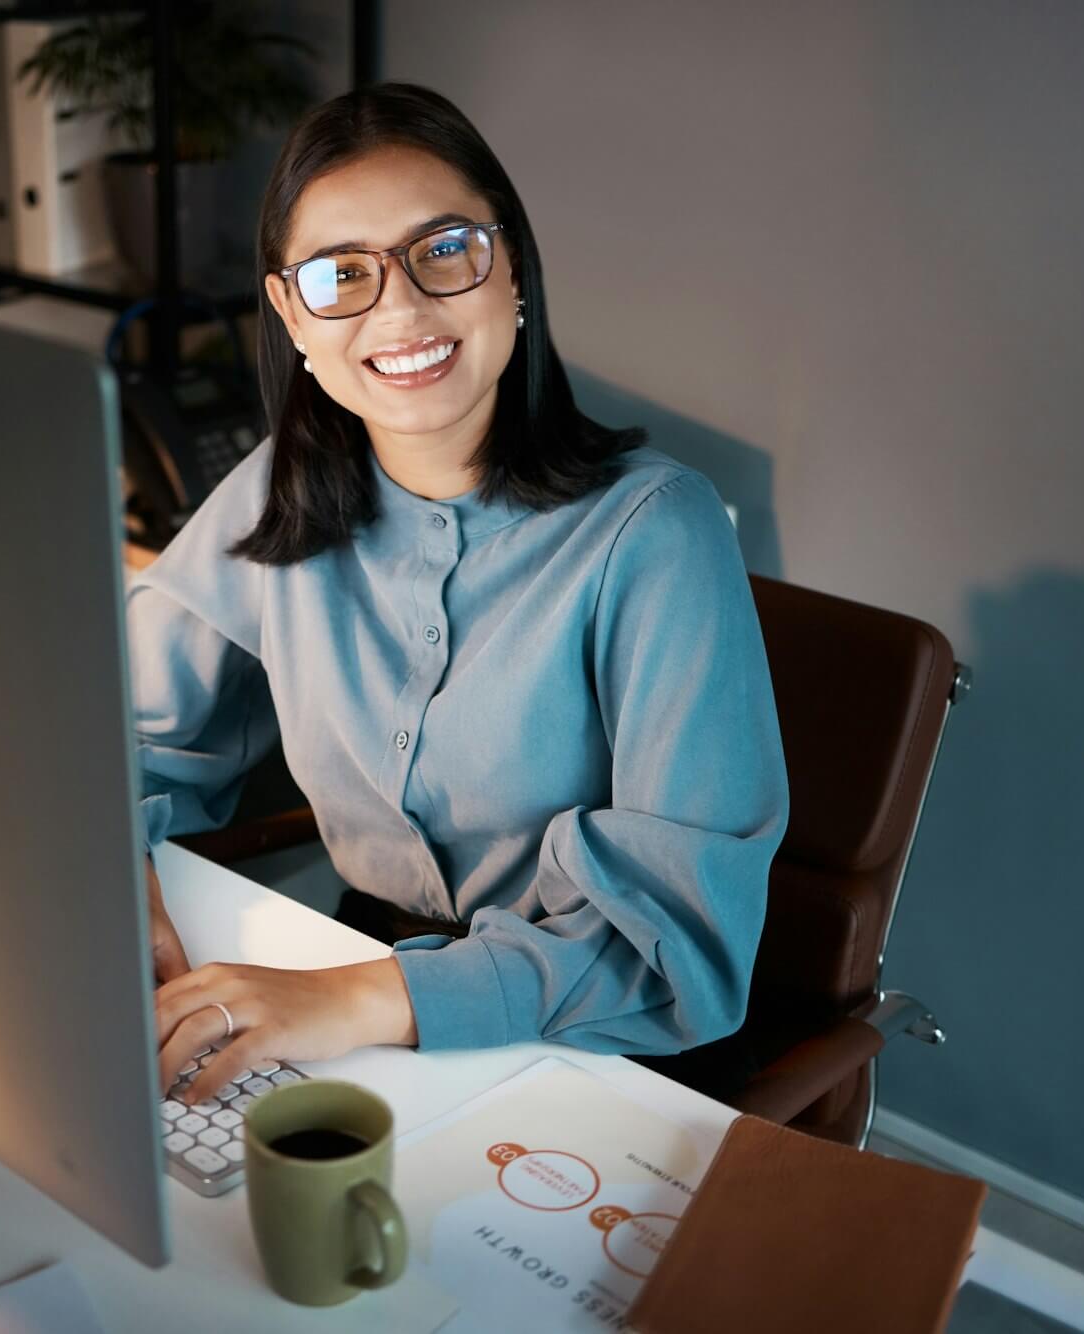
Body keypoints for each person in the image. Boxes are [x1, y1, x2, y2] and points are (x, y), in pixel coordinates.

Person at [134, 83, 790, 1105]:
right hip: (361, 984)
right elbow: (113, 734)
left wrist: (358, 1000)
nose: (398, 309)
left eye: (443, 250)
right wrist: (120, 875)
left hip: (602, 1046)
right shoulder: (278, 490)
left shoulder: (658, 532)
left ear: (511, 266)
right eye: (339, 273)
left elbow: (679, 951)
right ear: (291, 315)